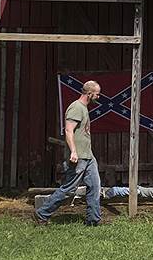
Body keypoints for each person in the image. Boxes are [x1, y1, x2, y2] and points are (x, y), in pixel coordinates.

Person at [34, 80, 102, 226]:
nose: (98, 97)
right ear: (89, 94)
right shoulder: (76, 108)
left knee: (95, 187)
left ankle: (93, 221)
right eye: (97, 94)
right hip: (79, 157)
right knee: (69, 189)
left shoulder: (84, 108)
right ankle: (42, 213)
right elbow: (68, 130)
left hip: (88, 156)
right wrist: (73, 152)